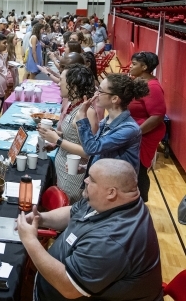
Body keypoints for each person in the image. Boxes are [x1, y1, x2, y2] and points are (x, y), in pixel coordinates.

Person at [16, 159, 163, 301]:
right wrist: (41, 218)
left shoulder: (111, 240)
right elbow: (73, 212)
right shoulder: (113, 200)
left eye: (91, 179)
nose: (85, 180)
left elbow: (68, 287)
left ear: (111, 192)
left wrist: (30, 241)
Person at [37, 65, 98, 203]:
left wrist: (58, 140)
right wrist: (55, 137)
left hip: (73, 178)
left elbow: (88, 151)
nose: (59, 83)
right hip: (63, 173)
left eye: (62, 80)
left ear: (74, 86)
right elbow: (75, 136)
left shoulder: (87, 112)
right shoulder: (75, 106)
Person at [76, 74, 149, 182]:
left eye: (100, 91)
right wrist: (85, 168)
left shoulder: (129, 129)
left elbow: (92, 148)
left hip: (116, 191)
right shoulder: (107, 121)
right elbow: (104, 155)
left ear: (114, 98)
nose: (96, 94)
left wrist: (82, 116)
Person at [128, 52, 166, 202]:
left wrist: (136, 132)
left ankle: (140, 203)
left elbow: (157, 116)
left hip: (144, 135)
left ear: (144, 67)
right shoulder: (139, 82)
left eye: (134, 64)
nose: (130, 66)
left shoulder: (153, 87)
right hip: (136, 132)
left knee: (139, 170)